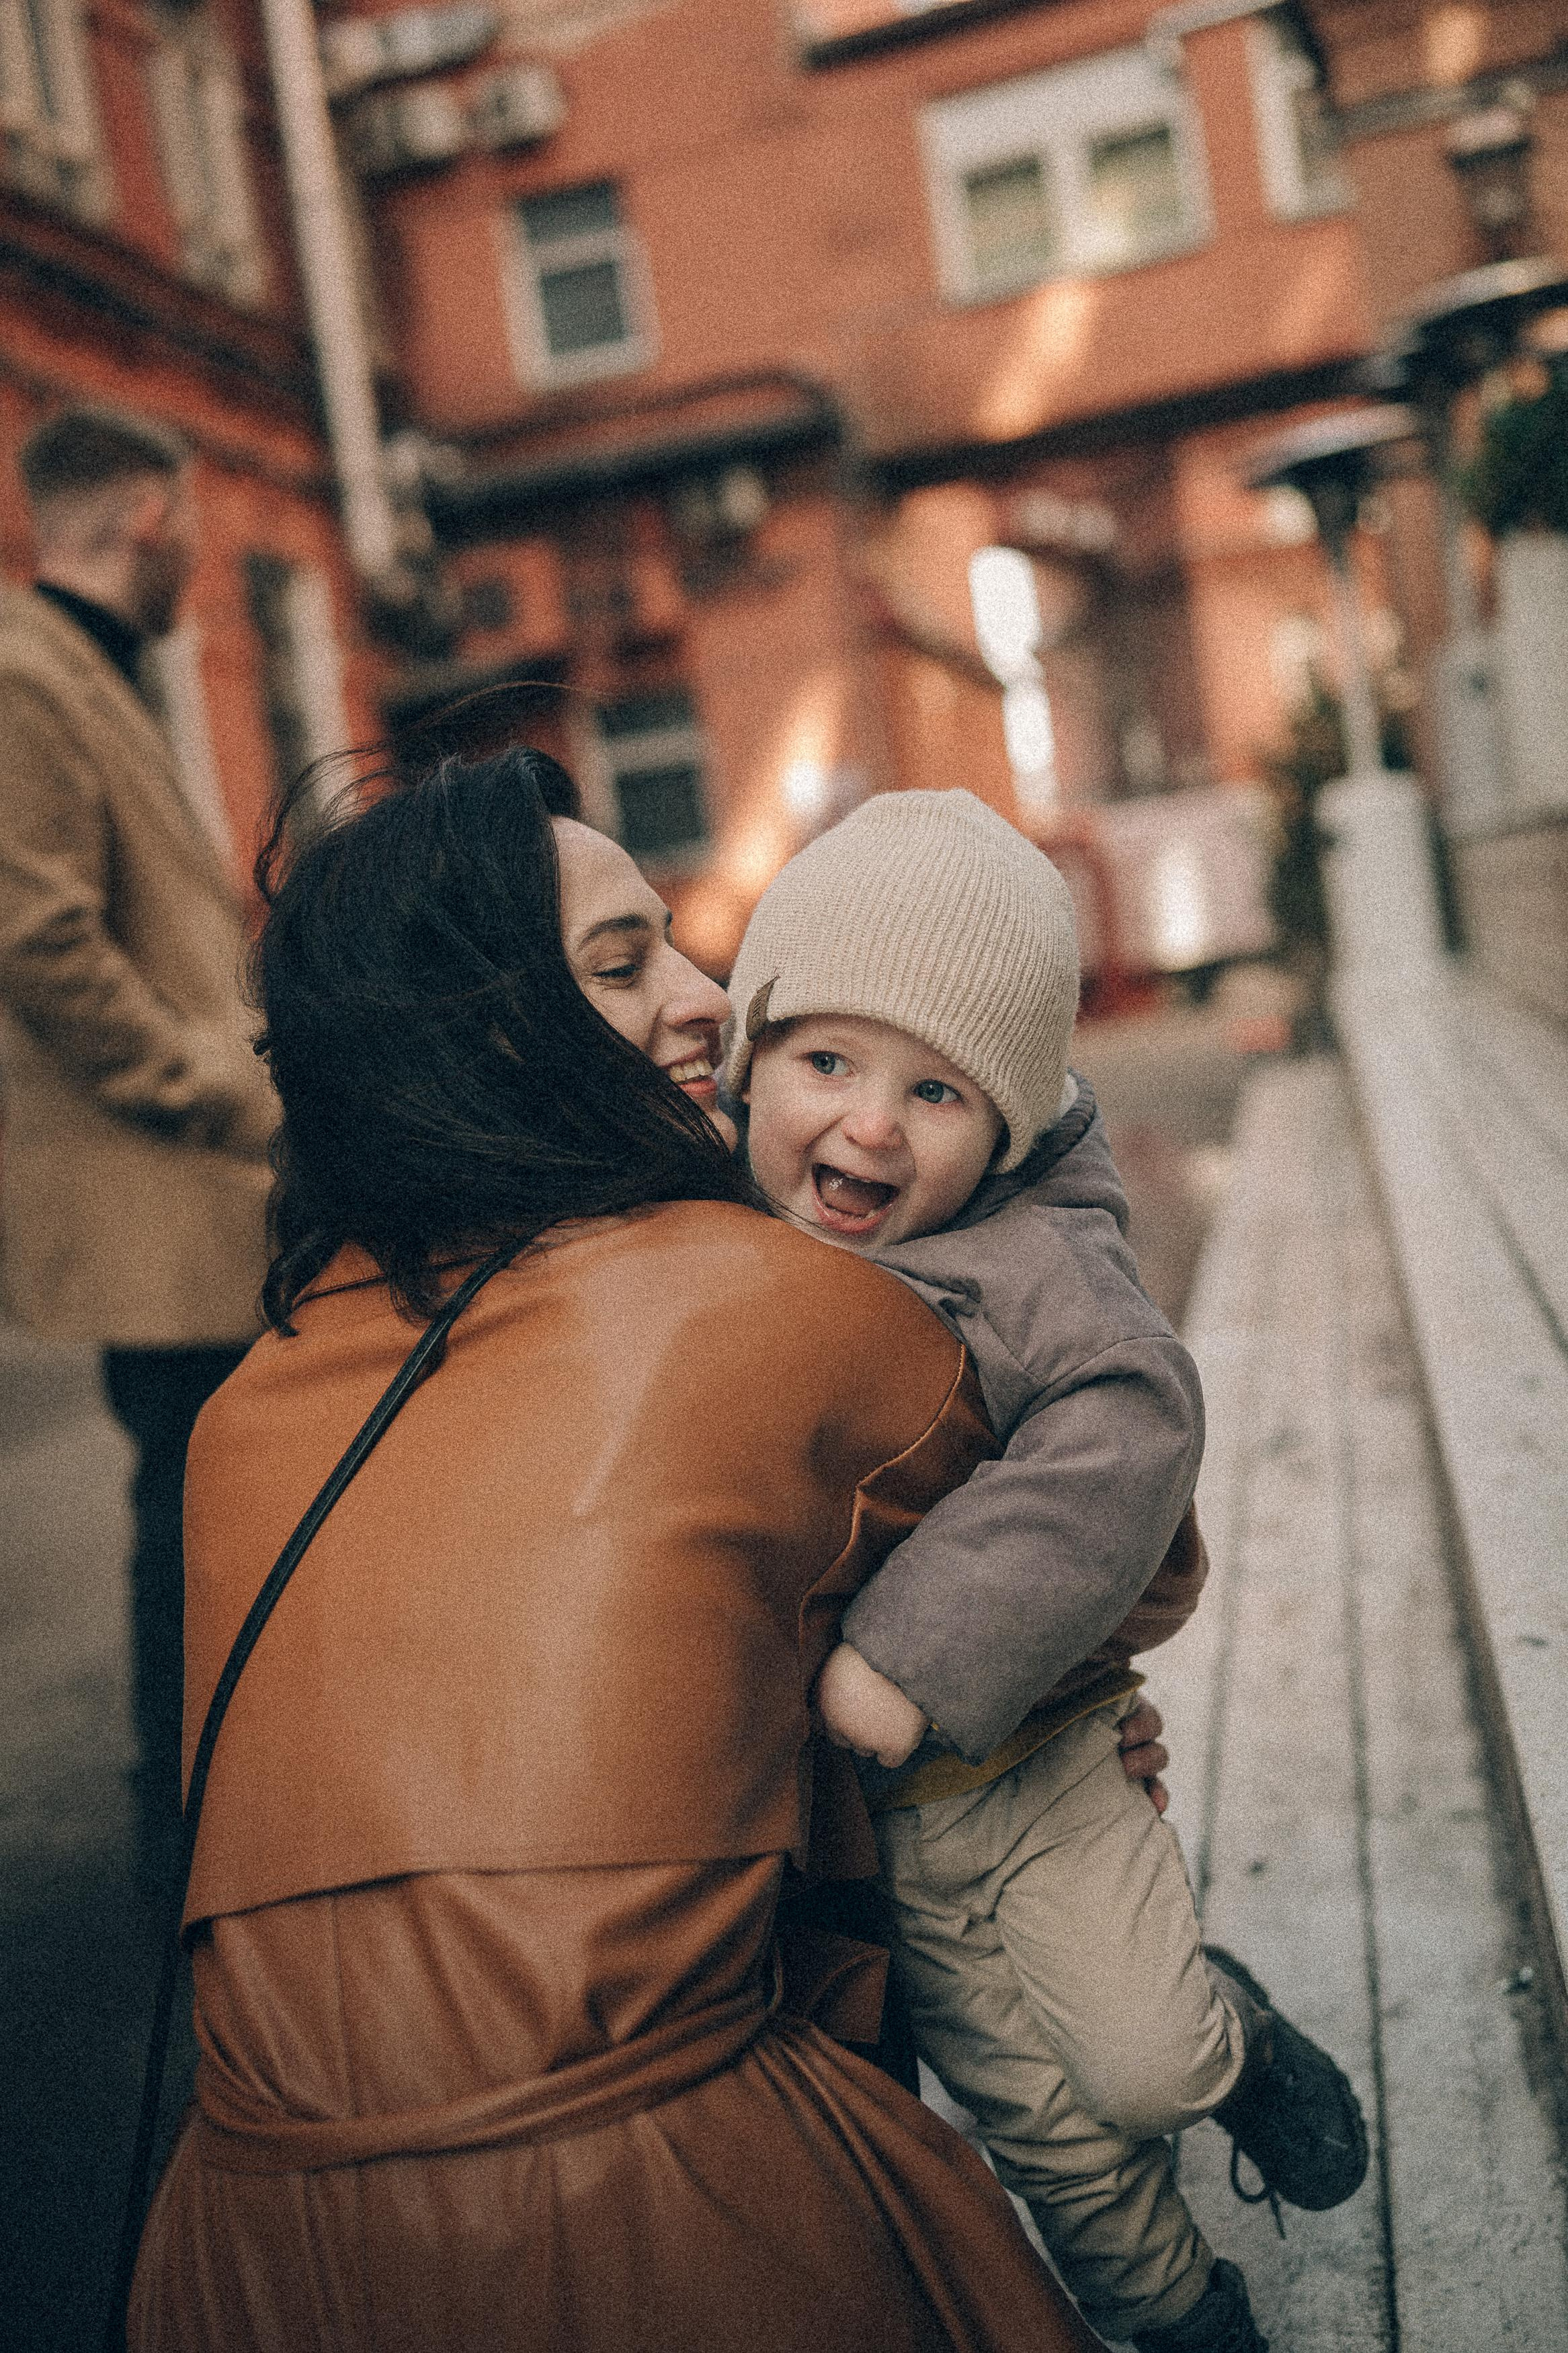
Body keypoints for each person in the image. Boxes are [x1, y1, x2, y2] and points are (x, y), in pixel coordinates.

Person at [128, 748, 1108, 2353]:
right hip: (662, 2220)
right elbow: (1122, 1557)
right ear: (484, 1034)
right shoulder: (767, 1302)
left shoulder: (240, 1411)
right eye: (622, 958)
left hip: (243, 2259)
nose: (715, 992)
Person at [725, 789, 1369, 2353]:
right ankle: (1187, 2319)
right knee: (1048, 2137)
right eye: (827, 1061)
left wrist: (912, 1653)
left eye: (937, 1090)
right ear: (750, 1056)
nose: (870, 1125)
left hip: (1038, 1769)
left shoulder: (1030, 1263)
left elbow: (1134, 1431)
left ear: (1008, 1126)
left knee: (1143, 2065)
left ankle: (1238, 2039)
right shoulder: (717, 1233)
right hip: (887, 1839)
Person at [0, 407, 276, 1890]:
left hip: (181, 1187)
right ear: (153, 518)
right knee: (195, 1502)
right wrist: (222, 1093)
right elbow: (38, 939)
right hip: (157, 1182)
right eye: (196, 532)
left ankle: (212, 1795)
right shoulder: (24, 671)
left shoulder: (85, 665)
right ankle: (195, 1825)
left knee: (206, 1492)